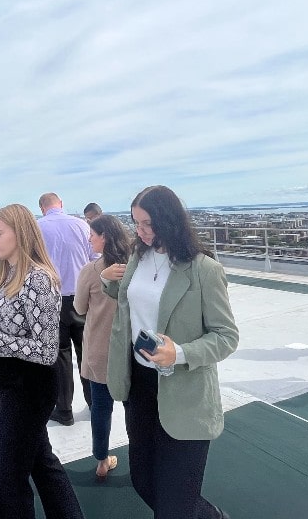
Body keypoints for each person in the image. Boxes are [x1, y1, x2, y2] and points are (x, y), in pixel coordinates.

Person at [101, 185, 238, 519]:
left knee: (174, 503)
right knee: (144, 482)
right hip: (140, 387)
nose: (141, 232)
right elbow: (133, 299)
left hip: (184, 392)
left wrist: (179, 353)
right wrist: (107, 281)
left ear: (169, 220)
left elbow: (226, 336)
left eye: (148, 223)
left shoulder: (204, 270)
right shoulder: (138, 257)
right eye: (136, 223)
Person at [0, 204, 84, 519]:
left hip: (30, 389)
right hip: (14, 385)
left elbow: (47, 351)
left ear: (19, 234)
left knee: (9, 478)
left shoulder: (39, 279)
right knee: (41, 463)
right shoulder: (9, 273)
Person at [73, 214, 131, 479]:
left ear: (104, 237)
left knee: (101, 407)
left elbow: (79, 307)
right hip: (131, 350)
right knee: (135, 409)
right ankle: (143, 458)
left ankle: (101, 459)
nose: (89, 239)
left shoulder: (91, 270)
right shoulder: (135, 266)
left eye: (92, 235)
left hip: (99, 349)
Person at [37, 192, 94, 425]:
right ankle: (95, 403)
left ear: (42, 208)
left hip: (52, 298)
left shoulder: (37, 228)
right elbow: (95, 259)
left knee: (60, 356)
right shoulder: (82, 225)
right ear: (61, 204)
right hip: (82, 298)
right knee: (87, 352)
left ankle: (64, 410)